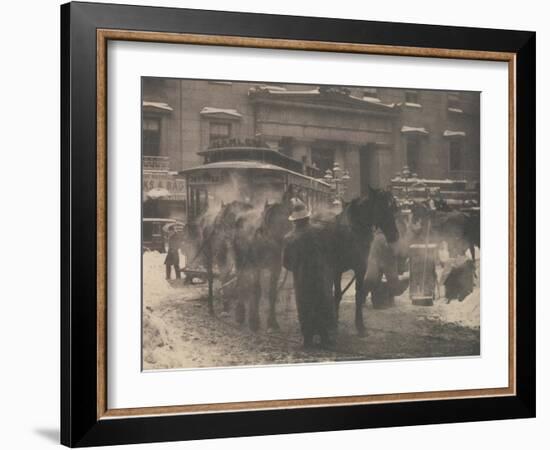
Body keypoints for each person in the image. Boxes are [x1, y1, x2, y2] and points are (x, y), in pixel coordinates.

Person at [282, 198, 336, 348]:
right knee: (322, 303)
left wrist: (298, 269)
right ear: (307, 218)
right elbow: (328, 251)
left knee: (304, 306)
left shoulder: (288, 238)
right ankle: (324, 337)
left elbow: (286, 263)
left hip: (301, 279)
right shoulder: (319, 232)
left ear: (294, 221)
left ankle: (308, 339)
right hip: (320, 276)